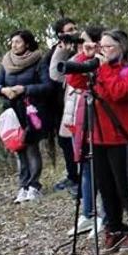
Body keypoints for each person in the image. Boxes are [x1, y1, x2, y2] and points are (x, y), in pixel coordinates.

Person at [66, 29, 128, 253]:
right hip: (99, 136)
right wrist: (84, 55)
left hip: (124, 136)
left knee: (124, 185)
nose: (104, 50)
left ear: (122, 47)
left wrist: (103, 70)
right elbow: (74, 80)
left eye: (109, 46)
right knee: (105, 185)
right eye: (102, 46)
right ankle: (114, 226)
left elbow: (119, 93)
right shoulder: (98, 68)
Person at [50, 25, 107, 237]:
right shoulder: (80, 59)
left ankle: (105, 215)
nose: (82, 45)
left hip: (100, 120)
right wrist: (64, 50)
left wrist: (94, 57)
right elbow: (58, 74)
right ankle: (88, 214)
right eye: (81, 42)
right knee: (84, 168)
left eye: (85, 41)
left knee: (101, 170)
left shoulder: (106, 61)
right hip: (78, 119)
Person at [0, 30, 52, 203]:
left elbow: (46, 86)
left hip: (33, 111)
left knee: (31, 147)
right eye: (12, 42)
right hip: (13, 112)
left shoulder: (38, 61)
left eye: (18, 42)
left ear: (27, 43)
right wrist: (3, 90)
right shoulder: (6, 62)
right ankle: (23, 186)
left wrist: (24, 89)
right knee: (18, 149)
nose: (14, 45)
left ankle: (34, 185)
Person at [42, 17, 81, 195]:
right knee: (65, 143)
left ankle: (79, 177)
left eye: (75, 28)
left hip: (75, 106)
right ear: (60, 34)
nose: (74, 32)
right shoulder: (53, 53)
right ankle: (73, 176)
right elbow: (54, 76)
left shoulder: (81, 49)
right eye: (70, 30)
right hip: (58, 107)